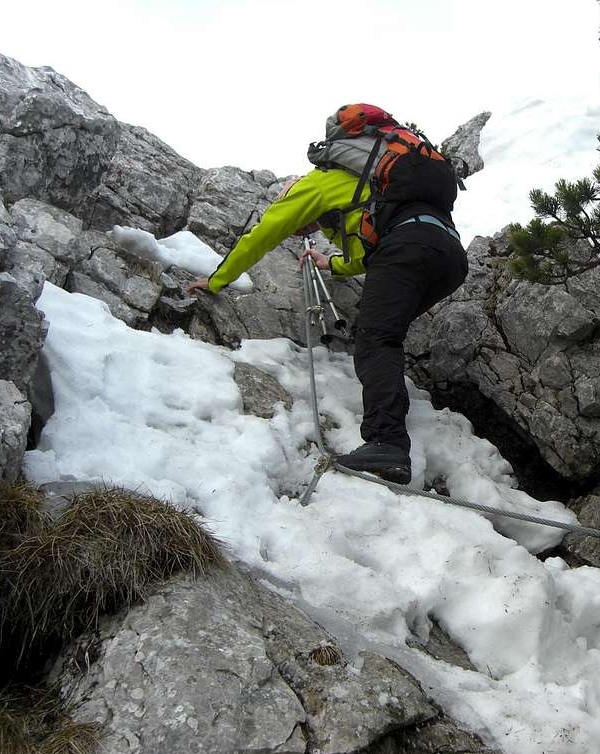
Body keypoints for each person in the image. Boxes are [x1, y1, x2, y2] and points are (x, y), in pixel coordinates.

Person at [186, 115, 468, 485]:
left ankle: (387, 442)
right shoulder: (368, 190)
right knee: (383, 334)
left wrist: (218, 280)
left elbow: (264, 233)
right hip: (449, 257)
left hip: (409, 245)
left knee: (376, 338)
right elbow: (369, 254)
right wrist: (331, 263)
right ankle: (388, 432)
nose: (302, 229)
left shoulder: (313, 185)